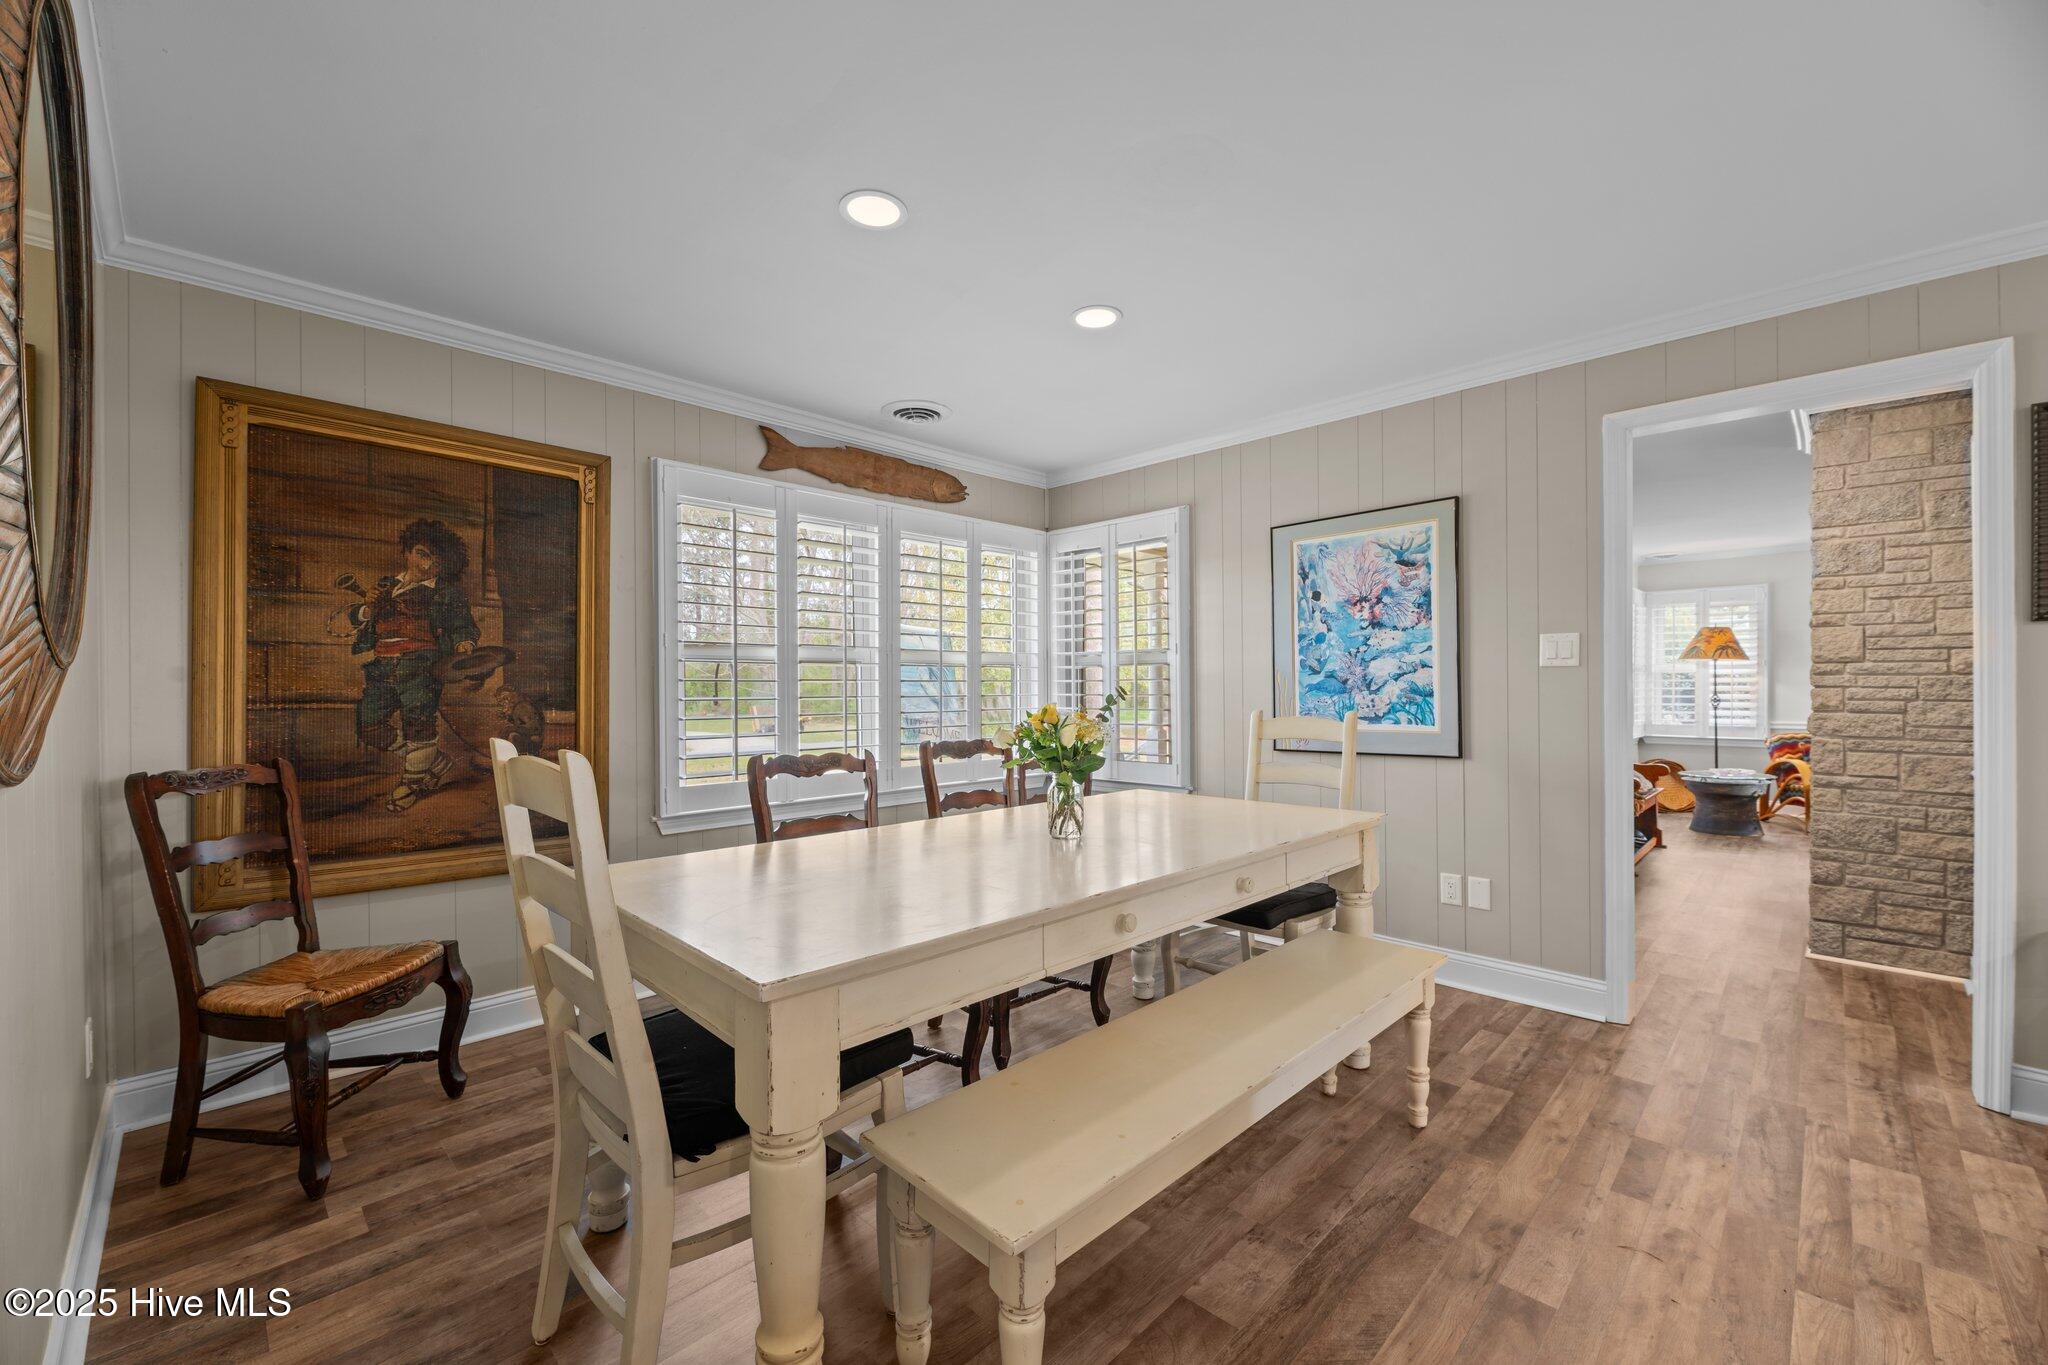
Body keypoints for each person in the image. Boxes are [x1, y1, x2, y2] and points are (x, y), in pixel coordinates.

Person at [349, 518, 480, 811]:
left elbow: (463, 626)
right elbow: (356, 619)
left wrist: (465, 643)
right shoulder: (385, 586)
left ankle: (411, 783)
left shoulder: (447, 594)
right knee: (368, 725)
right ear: (407, 552)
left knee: (419, 724)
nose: (426, 564)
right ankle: (434, 761)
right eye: (421, 554)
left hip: (421, 668)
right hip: (382, 668)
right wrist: (367, 608)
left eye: (435, 561)